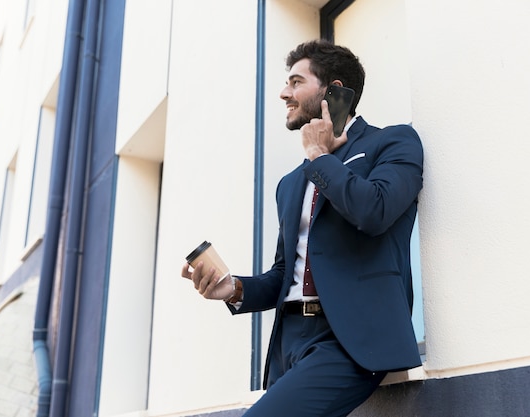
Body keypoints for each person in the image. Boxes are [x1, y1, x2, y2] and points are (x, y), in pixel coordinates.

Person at [182, 39, 424, 417]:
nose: (284, 93)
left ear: (335, 91)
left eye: (296, 82)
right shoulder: (291, 183)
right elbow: (286, 272)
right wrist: (234, 288)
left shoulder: (391, 142)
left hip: (348, 340)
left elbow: (374, 211)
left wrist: (318, 155)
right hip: (288, 343)